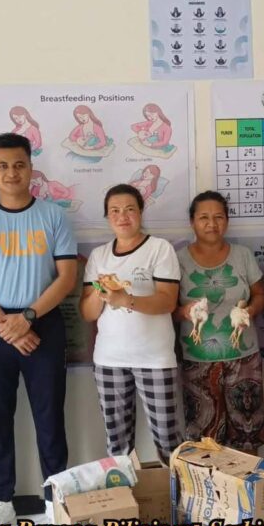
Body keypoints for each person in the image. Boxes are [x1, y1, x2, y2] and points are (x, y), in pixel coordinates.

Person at [0, 133, 78, 525]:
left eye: (19, 165)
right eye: (3, 166)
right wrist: (6, 324)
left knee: (50, 417)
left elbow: (66, 277)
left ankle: (55, 499)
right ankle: (1, 500)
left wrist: (27, 317)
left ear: (31, 168)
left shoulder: (53, 216)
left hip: (43, 323)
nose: (12, 173)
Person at [80, 184, 182, 463]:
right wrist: (102, 292)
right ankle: (125, 491)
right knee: (117, 443)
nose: (122, 216)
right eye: (114, 211)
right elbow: (88, 313)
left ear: (140, 212)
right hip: (109, 360)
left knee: (168, 440)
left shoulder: (159, 248)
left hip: (155, 359)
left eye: (129, 209)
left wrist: (125, 299)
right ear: (107, 216)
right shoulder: (99, 256)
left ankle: (176, 491)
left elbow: (167, 301)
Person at [176, 191, 264, 453]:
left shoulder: (242, 255)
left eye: (218, 217)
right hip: (197, 359)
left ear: (227, 221)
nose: (211, 224)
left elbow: (259, 293)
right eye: (203, 217)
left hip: (244, 359)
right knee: (205, 438)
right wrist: (185, 311)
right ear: (192, 222)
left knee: (247, 432)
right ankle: (210, 482)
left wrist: (250, 310)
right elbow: (169, 307)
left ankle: (248, 480)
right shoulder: (178, 259)